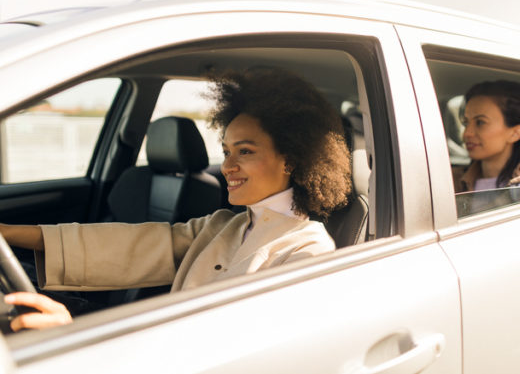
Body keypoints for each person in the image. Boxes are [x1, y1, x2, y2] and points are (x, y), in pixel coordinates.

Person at [0, 68, 352, 331]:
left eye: (244, 151)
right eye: (226, 151)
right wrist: (9, 233)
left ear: (290, 158)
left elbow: (234, 346)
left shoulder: (308, 252)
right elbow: (131, 244)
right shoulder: (223, 225)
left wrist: (72, 333)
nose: (228, 166)